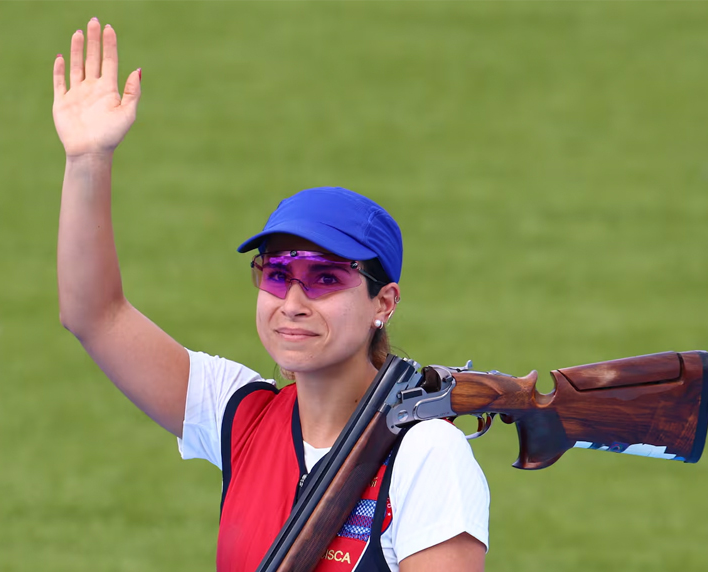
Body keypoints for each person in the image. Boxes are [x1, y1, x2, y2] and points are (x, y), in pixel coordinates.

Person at [51, 18, 488, 571]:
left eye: (326, 277)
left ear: (384, 302)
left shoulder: (428, 453)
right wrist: (87, 160)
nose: (294, 300)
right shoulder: (241, 414)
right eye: (277, 273)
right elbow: (95, 314)